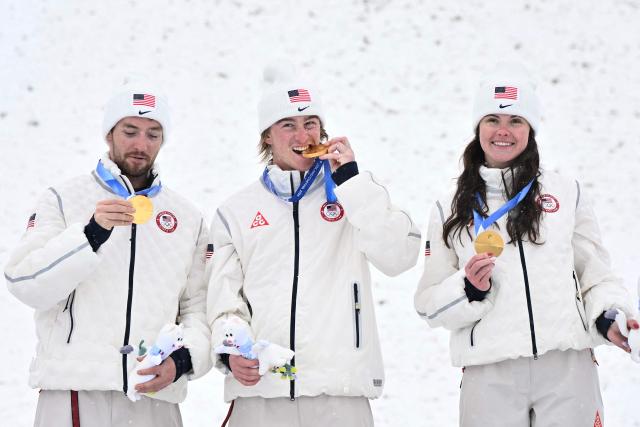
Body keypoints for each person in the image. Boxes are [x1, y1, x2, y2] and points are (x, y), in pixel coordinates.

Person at [414, 64, 638, 427]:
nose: (503, 131)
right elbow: (429, 306)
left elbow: (596, 277)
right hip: (490, 374)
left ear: (531, 128)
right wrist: (469, 289)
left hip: (567, 370)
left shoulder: (565, 192)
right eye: (492, 119)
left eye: (516, 120)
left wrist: (609, 317)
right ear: (477, 128)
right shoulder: (449, 207)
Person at [207, 64, 421, 427]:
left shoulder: (352, 194)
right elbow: (224, 299)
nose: (302, 134)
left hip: (339, 392)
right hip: (262, 393)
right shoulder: (236, 211)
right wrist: (231, 350)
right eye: (287, 125)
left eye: (310, 124)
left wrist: (351, 182)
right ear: (267, 138)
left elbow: (400, 255)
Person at [4, 82, 212, 427]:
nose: (141, 144)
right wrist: (90, 234)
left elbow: (197, 307)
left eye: (153, 134)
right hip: (75, 390)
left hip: (153, 394)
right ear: (109, 134)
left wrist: (183, 359)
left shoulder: (186, 217)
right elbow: (25, 282)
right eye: (130, 131)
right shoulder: (64, 198)